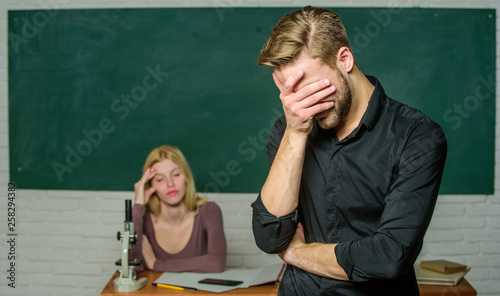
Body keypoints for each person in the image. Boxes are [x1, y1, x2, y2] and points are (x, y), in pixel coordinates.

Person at [251, 6, 447, 296]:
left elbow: (388, 257)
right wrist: (295, 133)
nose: (303, 104)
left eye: (312, 88)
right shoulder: (289, 129)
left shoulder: (417, 137)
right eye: (291, 92)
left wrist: (297, 254)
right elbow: (270, 237)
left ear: (344, 59)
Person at [130, 145, 226, 273]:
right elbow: (133, 267)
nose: (170, 184)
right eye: (160, 179)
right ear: (150, 185)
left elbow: (216, 264)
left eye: (175, 174)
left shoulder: (209, 211)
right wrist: (138, 205)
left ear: (186, 177)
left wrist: (157, 264)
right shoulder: (144, 218)